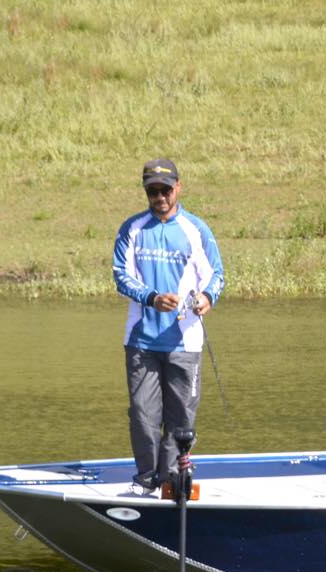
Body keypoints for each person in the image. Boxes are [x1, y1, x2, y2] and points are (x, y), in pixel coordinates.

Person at [112, 159, 226, 494]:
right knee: (143, 416)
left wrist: (207, 297)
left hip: (185, 342)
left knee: (181, 420)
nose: (159, 196)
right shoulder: (132, 229)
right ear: (146, 192)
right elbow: (121, 276)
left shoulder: (196, 229)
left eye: (165, 189)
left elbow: (216, 275)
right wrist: (150, 297)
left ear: (178, 187)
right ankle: (147, 479)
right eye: (152, 190)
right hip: (142, 341)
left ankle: (171, 478)